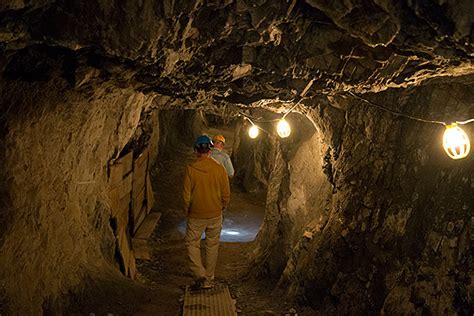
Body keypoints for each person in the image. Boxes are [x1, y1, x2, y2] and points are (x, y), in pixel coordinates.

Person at [183, 135, 231, 290]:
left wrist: (187, 210)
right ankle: (209, 279)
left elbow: (186, 196)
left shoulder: (191, 170)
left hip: (196, 214)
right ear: (210, 150)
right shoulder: (219, 169)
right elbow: (226, 193)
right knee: (212, 245)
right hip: (215, 213)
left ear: (196, 150)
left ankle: (199, 273)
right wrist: (222, 206)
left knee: (192, 243)